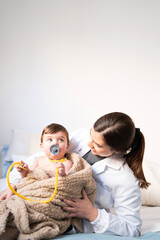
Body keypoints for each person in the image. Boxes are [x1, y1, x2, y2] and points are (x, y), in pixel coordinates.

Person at [0, 112, 149, 237]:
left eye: (97, 145)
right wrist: (13, 184)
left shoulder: (125, 179)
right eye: (91, 136)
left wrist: (92, 214)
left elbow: (133, 229)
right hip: (36, 194)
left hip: (68, 219)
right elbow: (42, 158)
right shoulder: (80, 137)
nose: (89, 144)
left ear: (117, 150)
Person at [0, 123, 96, 239]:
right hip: (31, 192)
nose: (55, 143)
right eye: (49, 140)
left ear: (67, 146)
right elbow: (29, 177)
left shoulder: (67, 163)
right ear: (42, 146)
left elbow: (66, 182)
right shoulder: (39, 160)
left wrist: (61, 172)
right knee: (8, 208)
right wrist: (23, 171)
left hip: (48, 198)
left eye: (60, 140)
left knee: (30, 215)